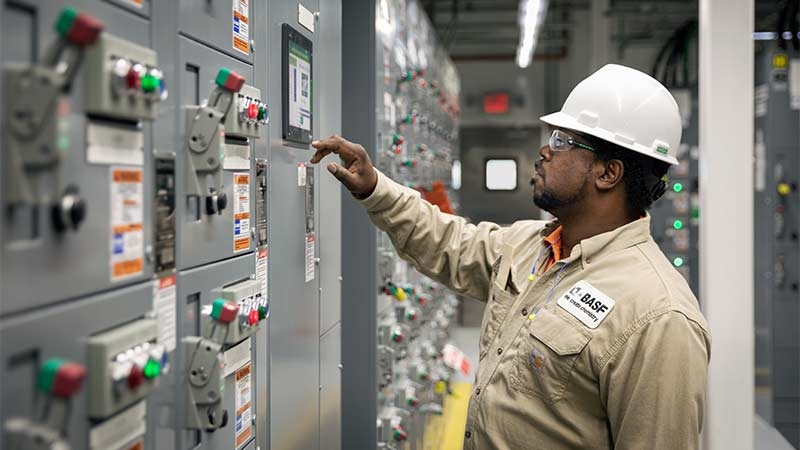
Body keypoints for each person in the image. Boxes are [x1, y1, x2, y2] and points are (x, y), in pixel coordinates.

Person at [310, 64, 711, 450]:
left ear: (608, 173)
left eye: (561, 141)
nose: (544, 150)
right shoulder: (530, 245)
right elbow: (450, 241)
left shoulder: (659, 316)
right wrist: (374, 187)